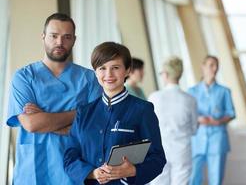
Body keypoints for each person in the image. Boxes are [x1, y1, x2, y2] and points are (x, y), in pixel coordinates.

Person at [6, 13, 102, 185]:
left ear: (74, 40)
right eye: (54, 36)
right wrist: (80, 114)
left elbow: (95, 127)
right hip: (33, 171)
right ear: (43, 37)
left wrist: (46, 119)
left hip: (77, 169)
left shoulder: (89, 79)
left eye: (67, 37)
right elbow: (32, 124)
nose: (60, 42)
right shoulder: (24, 77)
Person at [63, 42, 166, 185]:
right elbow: (70, 157)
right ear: (95, 72)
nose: (108, 74)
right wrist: (92, 173)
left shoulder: (143, 110)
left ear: (127, 70)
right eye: (102, 68)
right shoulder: (84, 112)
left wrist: (133, 171)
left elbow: (157, 158)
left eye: (115, 68)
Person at [149, 56, 198, 185]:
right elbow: (194, 129)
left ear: (165, 74)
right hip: (181, 149)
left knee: (159, 181)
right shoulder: (190, 99)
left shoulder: (154, 97)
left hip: (159, 148)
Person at [188, 55, 235, 185]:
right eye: (211, 65)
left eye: (216, 65)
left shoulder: (224, 91)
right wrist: (199, 118)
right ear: (203, 67)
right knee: (193, 178)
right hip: (197, 139)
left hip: (217, 139)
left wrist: (219, 121)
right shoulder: (192, 91)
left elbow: (231, 113)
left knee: (216, 178)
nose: (214, 68)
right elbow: (188, 114)